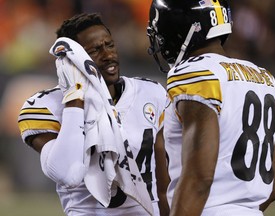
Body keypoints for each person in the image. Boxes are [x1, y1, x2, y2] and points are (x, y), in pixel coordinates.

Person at [18, 13, 170, 216]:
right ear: (72, 61)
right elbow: (68, 173)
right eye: (95, 50)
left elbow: (164, 183)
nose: (108, 55)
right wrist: (75, 98)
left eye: (110, 45)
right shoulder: (45, 106)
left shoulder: (150, 93)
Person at [147, 0, 275, 216]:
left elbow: (199, 178)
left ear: (180, 30)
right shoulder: (263, 78)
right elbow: (272, 190)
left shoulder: (195, 73)